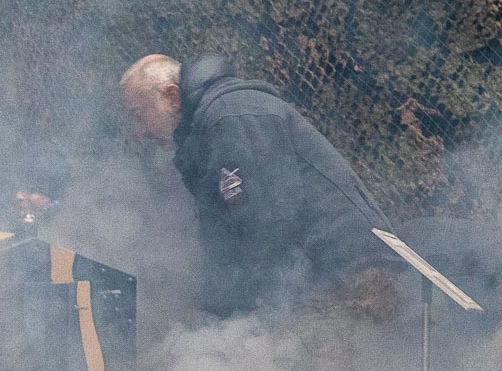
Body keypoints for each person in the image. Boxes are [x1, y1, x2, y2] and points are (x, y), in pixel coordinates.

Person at [118, 54, 398, 319]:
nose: (138, 132)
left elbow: (269, 224)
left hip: (351, 276)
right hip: (324, 277)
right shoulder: (207, 129)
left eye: (139, 115)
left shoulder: (230, 115)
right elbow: (227, 241)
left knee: (294, 353)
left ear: (172, 97)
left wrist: (234, 317)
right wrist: (214, 310)